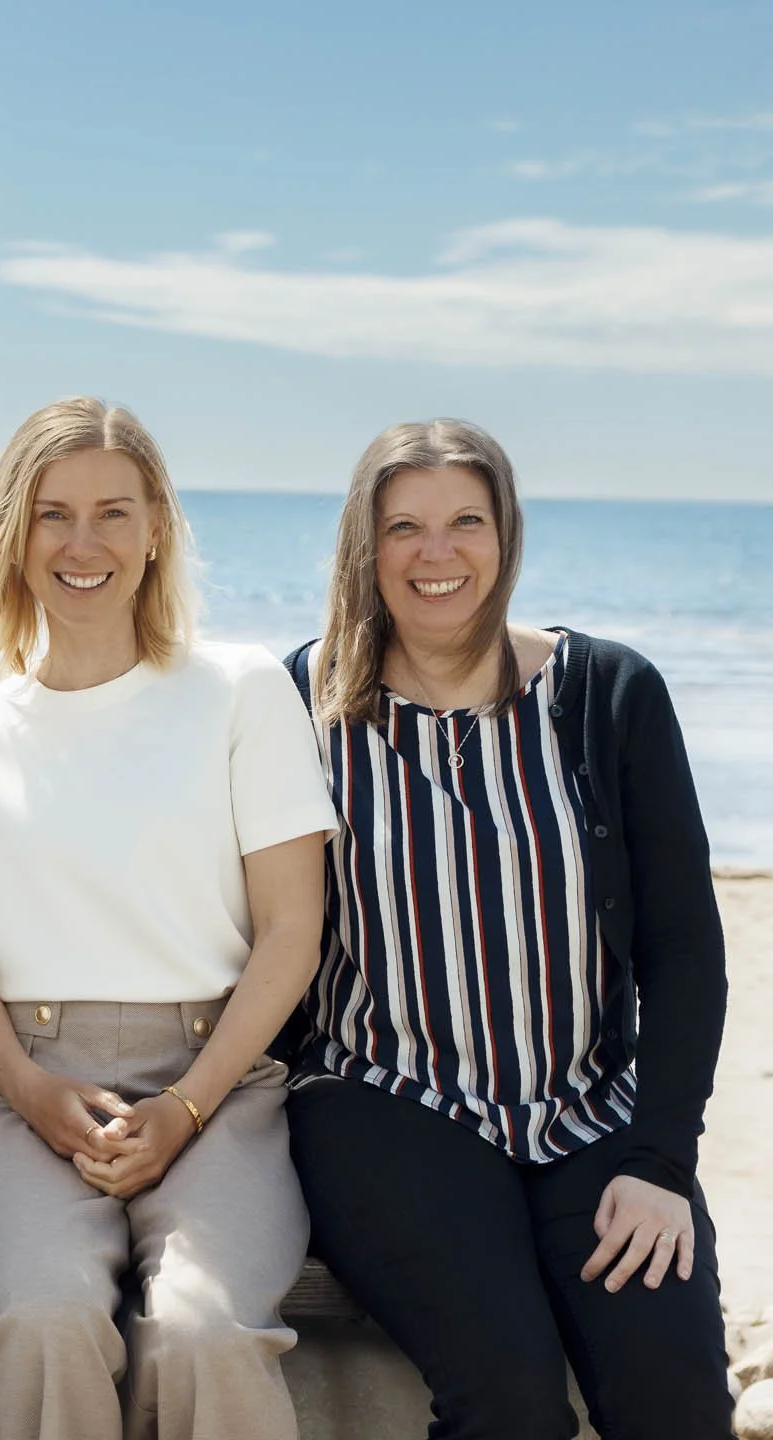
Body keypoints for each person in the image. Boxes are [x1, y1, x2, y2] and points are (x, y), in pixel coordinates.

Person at [281, 418, 734, 1439]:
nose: (436, 554)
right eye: (404, 527)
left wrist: (661, 1162)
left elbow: (685, 947)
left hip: (586, 1110)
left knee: (677, 1405)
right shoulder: (295, 703)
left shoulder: (607, 693)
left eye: (464, 522)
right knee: (513, 1405)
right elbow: (257, 930)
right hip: (390, 1106)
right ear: (367, 546)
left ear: (506, 534)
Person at [0, 397, 336, 1440]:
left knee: (205, 1334)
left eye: (112, 512)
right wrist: (38, 1092)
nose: (82, 543)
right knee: (46, 1321)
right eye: (52, 514)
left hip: (220, 1086)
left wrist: (186, 1106)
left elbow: (291, 934)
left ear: (156, 532)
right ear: (14, 534)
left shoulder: (241, 693)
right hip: (24, 1096)